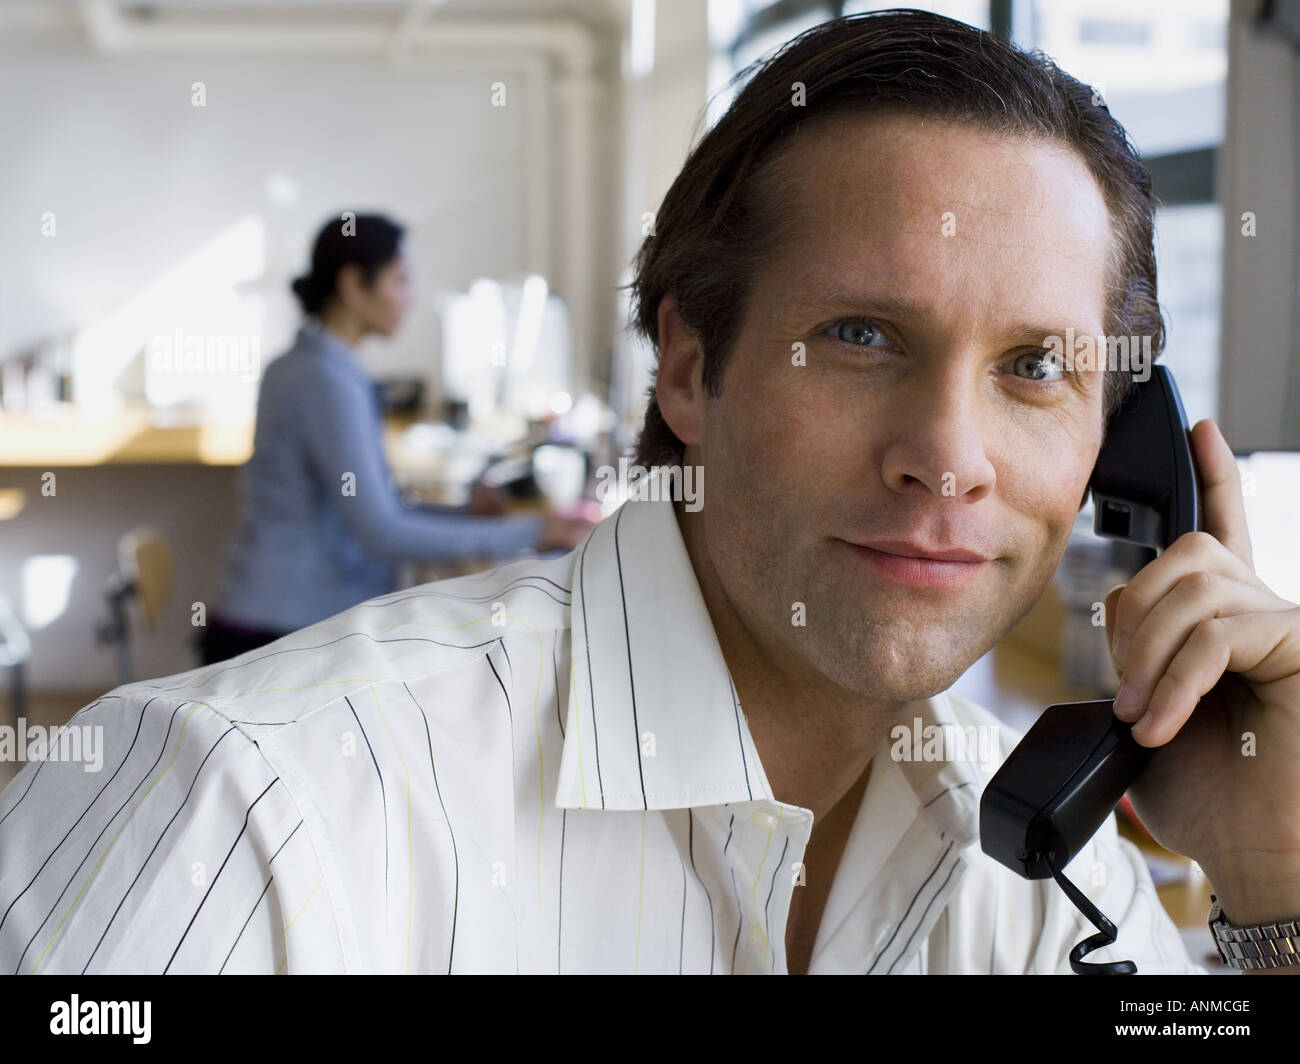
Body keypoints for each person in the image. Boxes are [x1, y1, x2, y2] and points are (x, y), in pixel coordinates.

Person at [3, 11, 1299, 975]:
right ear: (688, 364)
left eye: (1035, 368)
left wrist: (1271, 876)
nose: (948, 456)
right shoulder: (247, 812)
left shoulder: (1032, 855)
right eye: (859, 337)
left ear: (1121, 445)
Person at [197, 213, 594, 663]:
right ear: (352, 285)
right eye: (399, 281)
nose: (411, 298)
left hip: (276, 621)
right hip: (272, 638)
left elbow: (376, 507)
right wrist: (534, 529)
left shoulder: (313, 365)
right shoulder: (324, 379)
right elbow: (381, 532)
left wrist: (467, 515)